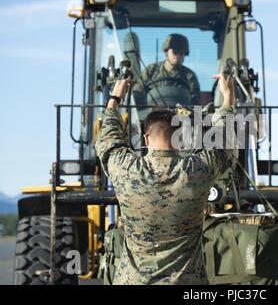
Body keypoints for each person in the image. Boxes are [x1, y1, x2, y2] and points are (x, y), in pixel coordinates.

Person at [95, 73, 236, 285]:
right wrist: (227, 98)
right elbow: (225, 142)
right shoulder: (197, 170)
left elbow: (108, 140)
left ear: (145, 139)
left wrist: (114, 98)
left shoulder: (126, 169)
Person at [140, 33, 201, 106]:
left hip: (181, 115)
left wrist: (197, 117)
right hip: (152, 114)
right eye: (174, 53)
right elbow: (137, 93)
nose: (177, 56)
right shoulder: (151, 70)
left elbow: (196, 102)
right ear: (166, 52)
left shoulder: (189, 76)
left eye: (181, 54)